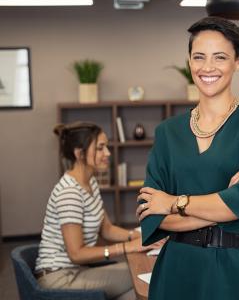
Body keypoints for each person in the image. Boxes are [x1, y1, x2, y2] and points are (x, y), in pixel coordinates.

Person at [135, 17, 239, 300]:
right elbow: (152, 214)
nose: (207, 67)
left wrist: (175, 203)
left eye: (220, 57)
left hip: (236, 269)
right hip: (177, 270)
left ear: (238, 61)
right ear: (189, 62)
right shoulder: (167, 132)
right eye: (199, 57)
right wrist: (225, 201)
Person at [35, 122, 160, 299]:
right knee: (140, 275)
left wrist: (139, 237)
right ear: (79, 154)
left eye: (106, 147)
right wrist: (127, 247)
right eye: (100, 148)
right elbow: (76, 254)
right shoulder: (69, 193)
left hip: (77, 270)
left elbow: (107, 229)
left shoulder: (90, 183)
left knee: (137, 281)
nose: (107, 153)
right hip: (60, 277)